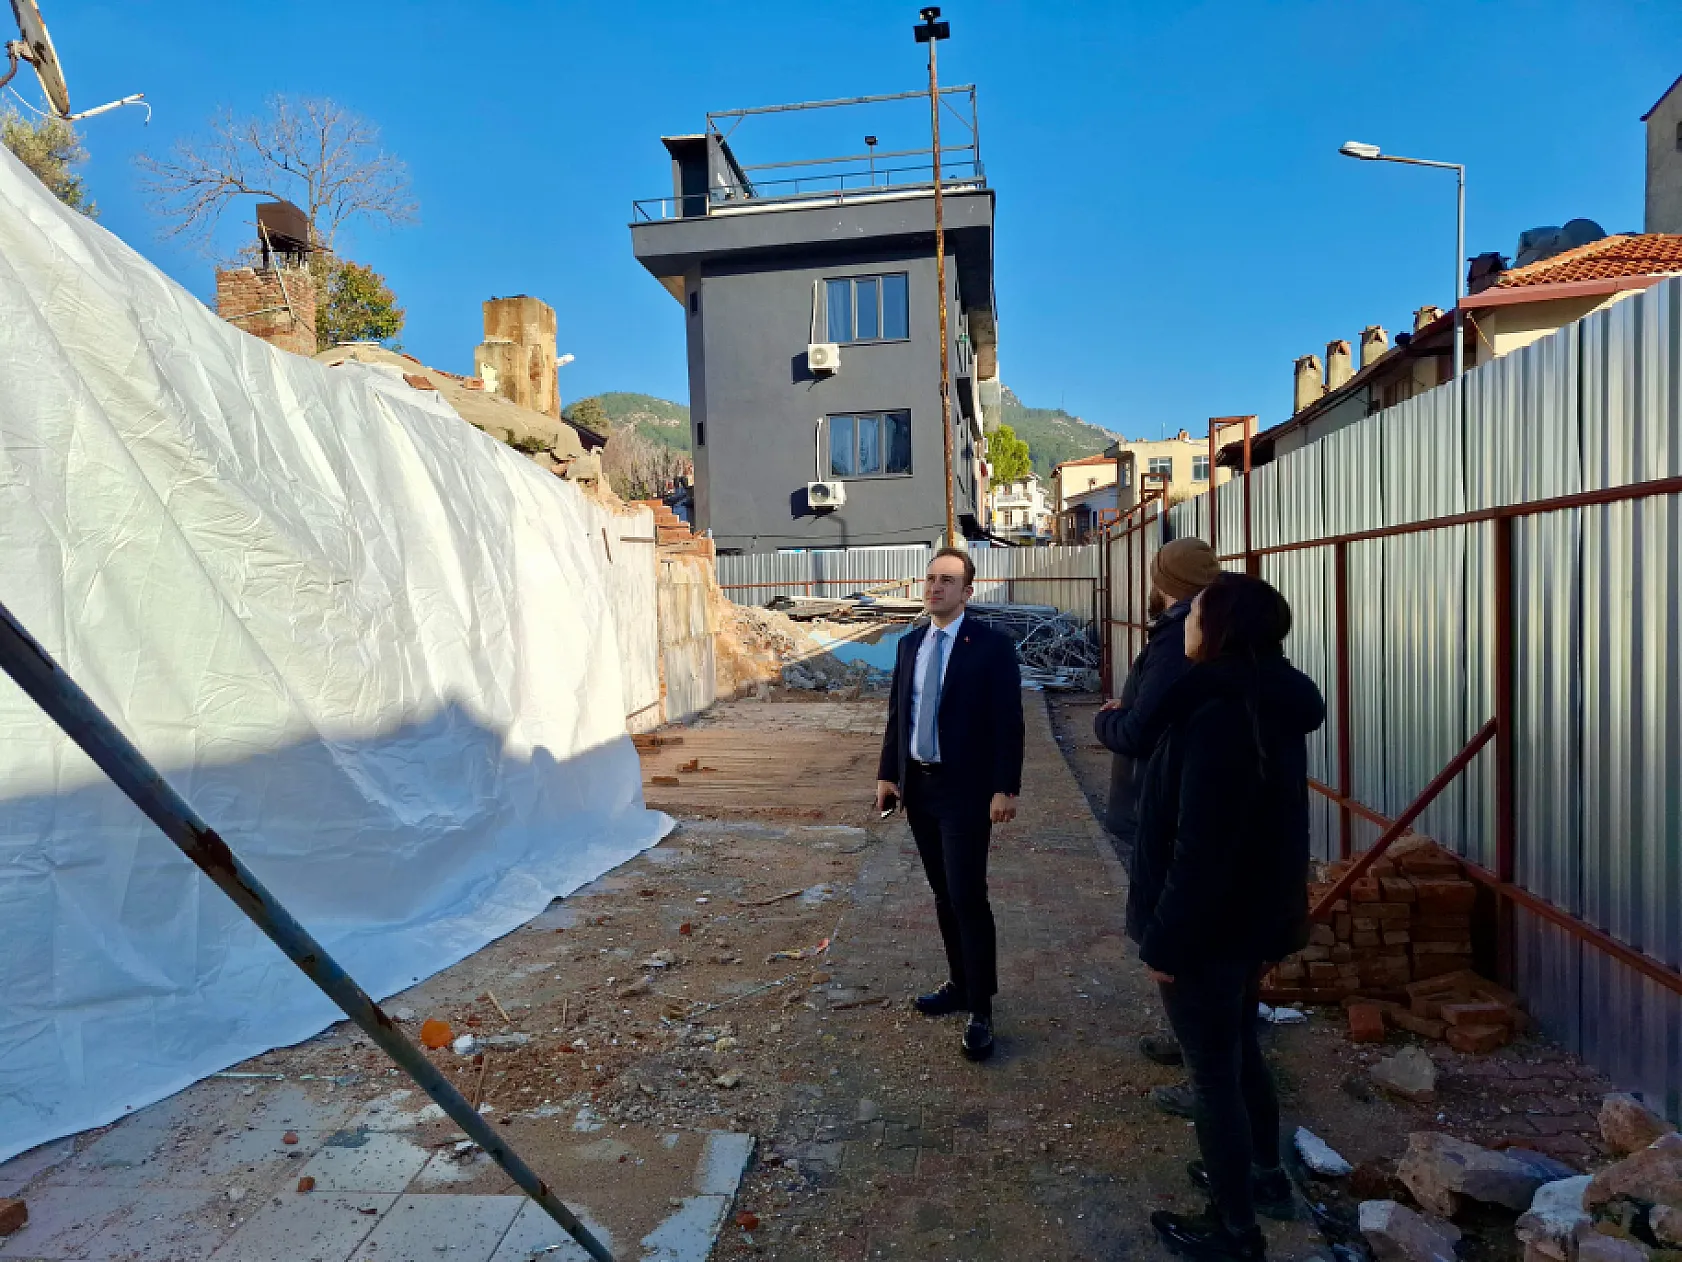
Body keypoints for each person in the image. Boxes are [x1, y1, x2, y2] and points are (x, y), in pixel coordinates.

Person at [1131, 573, 1325, 1262]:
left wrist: (1167, 940)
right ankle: (1265, 1179)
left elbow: (1200, 849)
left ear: (1218, 630)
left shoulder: (1217, 715)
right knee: (1240, 1051)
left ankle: (1234, 1229)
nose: (1183, 623)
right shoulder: (1264, 699)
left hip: (1208, 932)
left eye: (1195, 615)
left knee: (1213, 1074)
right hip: (1254, 921)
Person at [876, 547, 1024, 1062]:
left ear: (967, 591)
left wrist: (1006, 787)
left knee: (967, 895)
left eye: (948, 581)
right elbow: (900, 711)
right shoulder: (909, 644)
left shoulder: (990, 647)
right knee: (942, 893)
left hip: (967, 791)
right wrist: (887, 774)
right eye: (931, 578)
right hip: (920, 789)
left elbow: (1010, 722)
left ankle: (981, 1008)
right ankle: (960, 984)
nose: (935, 587)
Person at [1093, 536, 1221, 1109]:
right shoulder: (1204, 633)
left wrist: (1108, 723)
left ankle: (1205, 1075)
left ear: (1162, 578)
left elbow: (1149, 730)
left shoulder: (1177, 640)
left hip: (1163, 807)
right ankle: (1195, 1049)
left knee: (1171, 939)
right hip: (1168, 802)